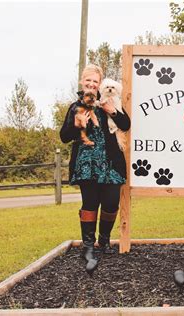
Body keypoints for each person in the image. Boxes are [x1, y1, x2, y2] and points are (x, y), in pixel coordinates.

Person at [60, 64, 130, 274]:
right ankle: (88, 247)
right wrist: (76, 125)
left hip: (110, 163)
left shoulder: (108, 102)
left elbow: (125, 124)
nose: (91, 85)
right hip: (86, 164)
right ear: (82, 82)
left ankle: (104, 241)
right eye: (88, 81)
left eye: (95, 82)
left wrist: (114, 112)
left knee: (110, 203)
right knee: (90, 203)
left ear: (100, 85)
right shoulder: (75, 107)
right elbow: (64, 137)